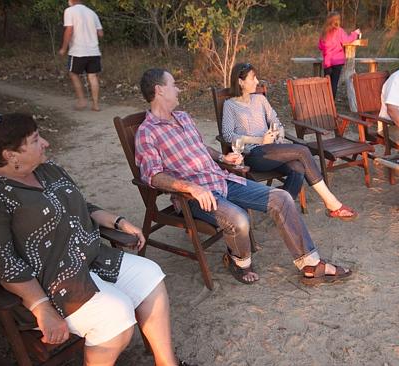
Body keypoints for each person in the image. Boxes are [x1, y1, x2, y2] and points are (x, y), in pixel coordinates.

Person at [0, 113, 182, 366]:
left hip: (88, 258)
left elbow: (77, 204)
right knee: (116, 318)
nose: (45, 143)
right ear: (11, 155)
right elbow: (3, 263)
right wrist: (41, 307)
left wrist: (117, 221)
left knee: (150, 276)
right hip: (46, 287)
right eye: (35, 139)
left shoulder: (46, 170)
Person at [135, 68, 352, 285]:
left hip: (222, 179)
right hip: (195, 196)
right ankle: (238, 261)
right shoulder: (147, 132)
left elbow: (200, 148)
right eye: (173, 85)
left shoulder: (182, 117)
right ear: (159, 90)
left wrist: (222, 157)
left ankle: (310, 264)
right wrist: (191, 188)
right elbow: (153, 176)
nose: (178, 89)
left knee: (282, 198)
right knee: (240, 219)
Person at [221, 62, 357, 220]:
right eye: (253, 78)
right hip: (254, 154)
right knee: (302, 150)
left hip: (274, 150)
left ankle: (282, 209)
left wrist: (277, 134)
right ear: (240, 81)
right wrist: (260, 139)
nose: (257, 81)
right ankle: (331, 202)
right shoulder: (230, 105)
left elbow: (276, 121)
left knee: (298, 167)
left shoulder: (260, 100)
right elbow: (228, 135)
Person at [58, 0, 103, 112]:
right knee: (92, 76)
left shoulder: (69, 11)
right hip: (94, 51)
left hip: (78, 50)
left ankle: (82, 100)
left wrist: (64, 48)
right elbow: (100, 33)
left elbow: (69, 30)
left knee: (73, 74)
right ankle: (96, 104)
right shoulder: (92, 13)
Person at [318, 11, 360, 98]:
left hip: (327, 62)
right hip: (337, 61)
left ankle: (325, 101)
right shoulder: (339, 31)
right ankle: (332, 102)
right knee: (334, 82)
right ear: (337, 21)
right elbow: (347, 40)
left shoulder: (324, 32)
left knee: (327, 82)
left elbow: (320, 46)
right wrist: (355, 33)